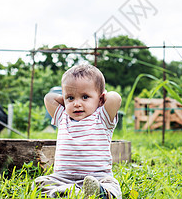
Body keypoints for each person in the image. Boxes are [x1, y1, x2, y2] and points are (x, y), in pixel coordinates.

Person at [34, 64, 122, 198]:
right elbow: (48, 98)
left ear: (100, 99)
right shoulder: (63, 117)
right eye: (71, 98)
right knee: (40, 183)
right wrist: (65, 101)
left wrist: (102, 100)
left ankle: (102, 193)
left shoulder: (102, 117)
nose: (76, 103)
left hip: (98, 177)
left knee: (111, 184)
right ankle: (72, 192)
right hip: (63, 178)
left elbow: (115, 98)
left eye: (85, 97)